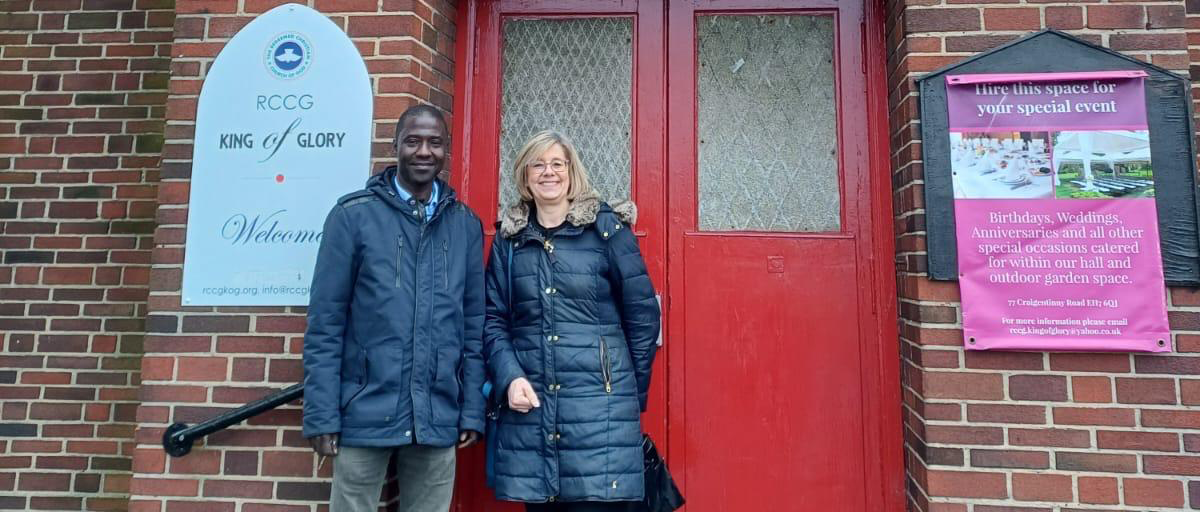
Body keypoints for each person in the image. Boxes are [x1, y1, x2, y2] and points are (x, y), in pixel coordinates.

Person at [302, 105, 486, 512]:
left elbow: (474, 327)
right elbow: (325, 325)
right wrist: (321, 415)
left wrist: (471, 409)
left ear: (446, 151)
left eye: (435, 142)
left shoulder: (465, 225)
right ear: (395, 146)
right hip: (363, 410)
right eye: (413, 141)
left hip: (437, 414)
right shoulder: (352, 216)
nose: (424, 151)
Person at [484, 130, 661, 511]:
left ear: (571, 172)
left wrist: (627, 394)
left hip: (601, 417)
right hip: (531, 412)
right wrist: (509, 377)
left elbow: (643, 316)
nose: (548, 172)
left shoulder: (606, 231)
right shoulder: (509, 240)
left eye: (557, 164)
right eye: (538, 164)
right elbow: (493, 319)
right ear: (525, 176)